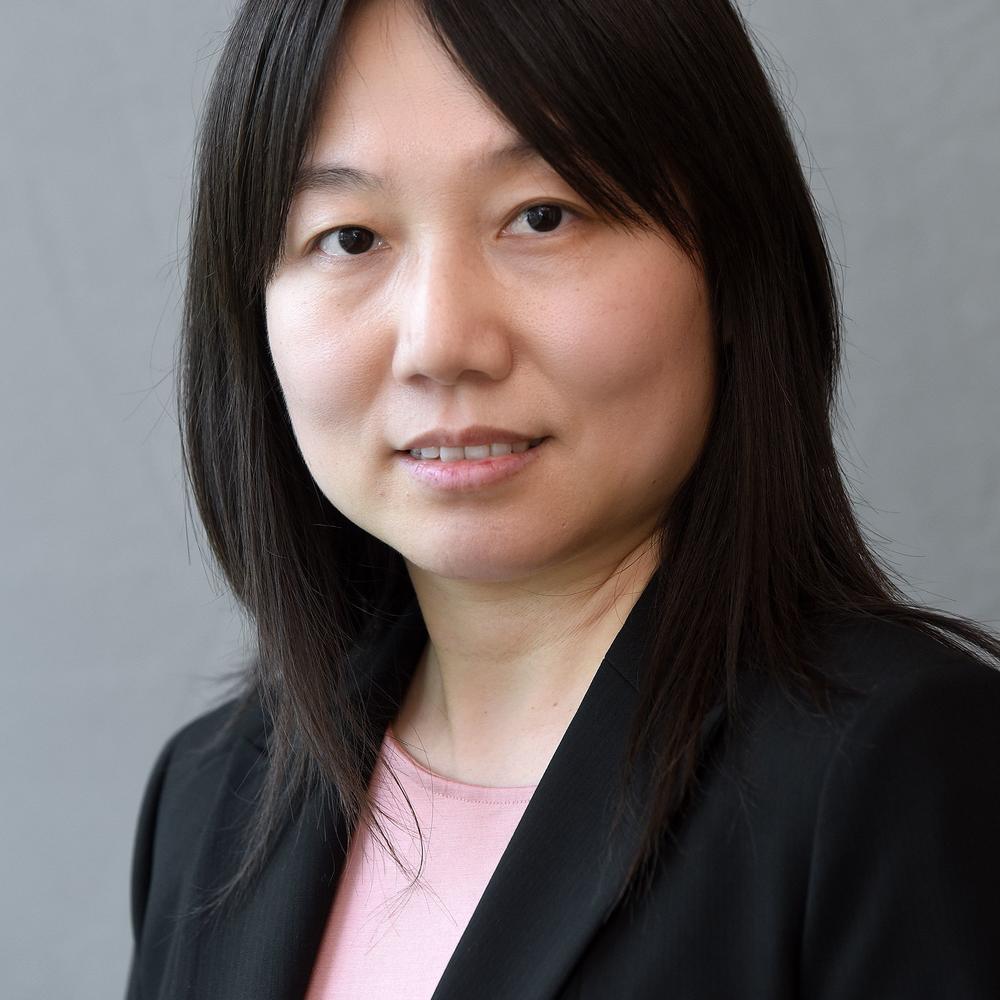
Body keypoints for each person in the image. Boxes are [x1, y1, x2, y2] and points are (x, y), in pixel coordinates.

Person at [124, 0, 1000, 997]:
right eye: (349, 236)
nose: (442, 342)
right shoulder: (211, 799)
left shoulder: (901, 773)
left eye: (542, 215)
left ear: (729, 262)